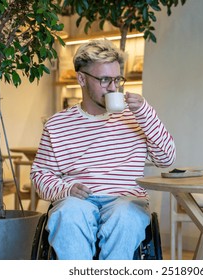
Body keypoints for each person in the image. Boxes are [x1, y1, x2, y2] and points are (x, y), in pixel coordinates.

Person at [30, 39, 176, 260]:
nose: (113, 87)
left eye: (117, 79)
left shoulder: (136, 117)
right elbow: (40, 175)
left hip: (126, 199)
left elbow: (167, 158)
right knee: (68, 214)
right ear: (81, 78)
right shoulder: (57, 124)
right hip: (77, 200)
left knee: (125, 217)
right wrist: (66, 189)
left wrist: (146, 113)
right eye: (105, 79)